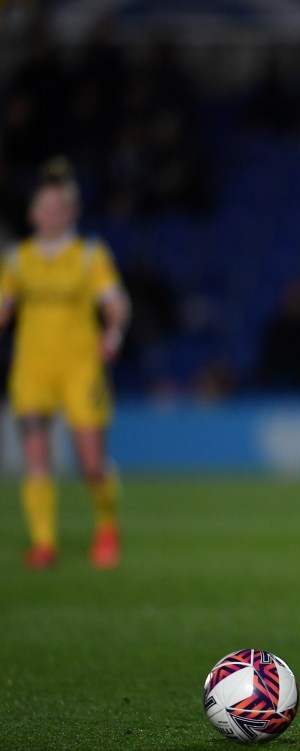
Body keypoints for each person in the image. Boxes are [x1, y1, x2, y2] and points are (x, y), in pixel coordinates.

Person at [0, 157, 129, 569]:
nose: (51, 214)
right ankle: (43, 543)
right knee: (36, 458)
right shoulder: (18, 260)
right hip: (32, 369)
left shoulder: (89, 255)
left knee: (91, 463)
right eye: (44, 207)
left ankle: (107, 525)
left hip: (80, 367)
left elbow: (114, 303)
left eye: (59, 207)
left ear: (72, 213)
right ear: (32, 214)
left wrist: (113, 332)